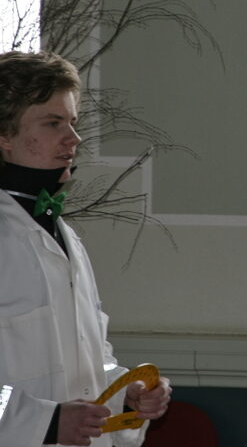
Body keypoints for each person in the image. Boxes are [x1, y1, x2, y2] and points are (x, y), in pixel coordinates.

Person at [0, 50, 172, 446]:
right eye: (53, 123)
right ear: (4, 135)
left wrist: (124, 393)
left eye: (73, 123)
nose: (74, 139)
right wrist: (43, 422)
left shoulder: (63, 235)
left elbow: (84, 360)